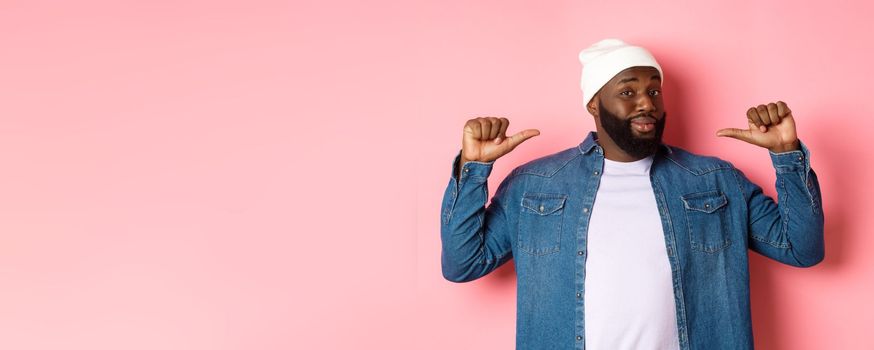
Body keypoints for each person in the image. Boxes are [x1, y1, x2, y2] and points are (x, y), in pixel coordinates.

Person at [439, 38, 824, 350]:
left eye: (654, 90)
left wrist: (786, 154)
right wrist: (474, 169)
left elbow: (802, 249)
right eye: (628, 91)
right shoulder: (536, 184)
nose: (647, 103)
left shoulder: (715, 180)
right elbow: (463, 263)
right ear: (594, 103)